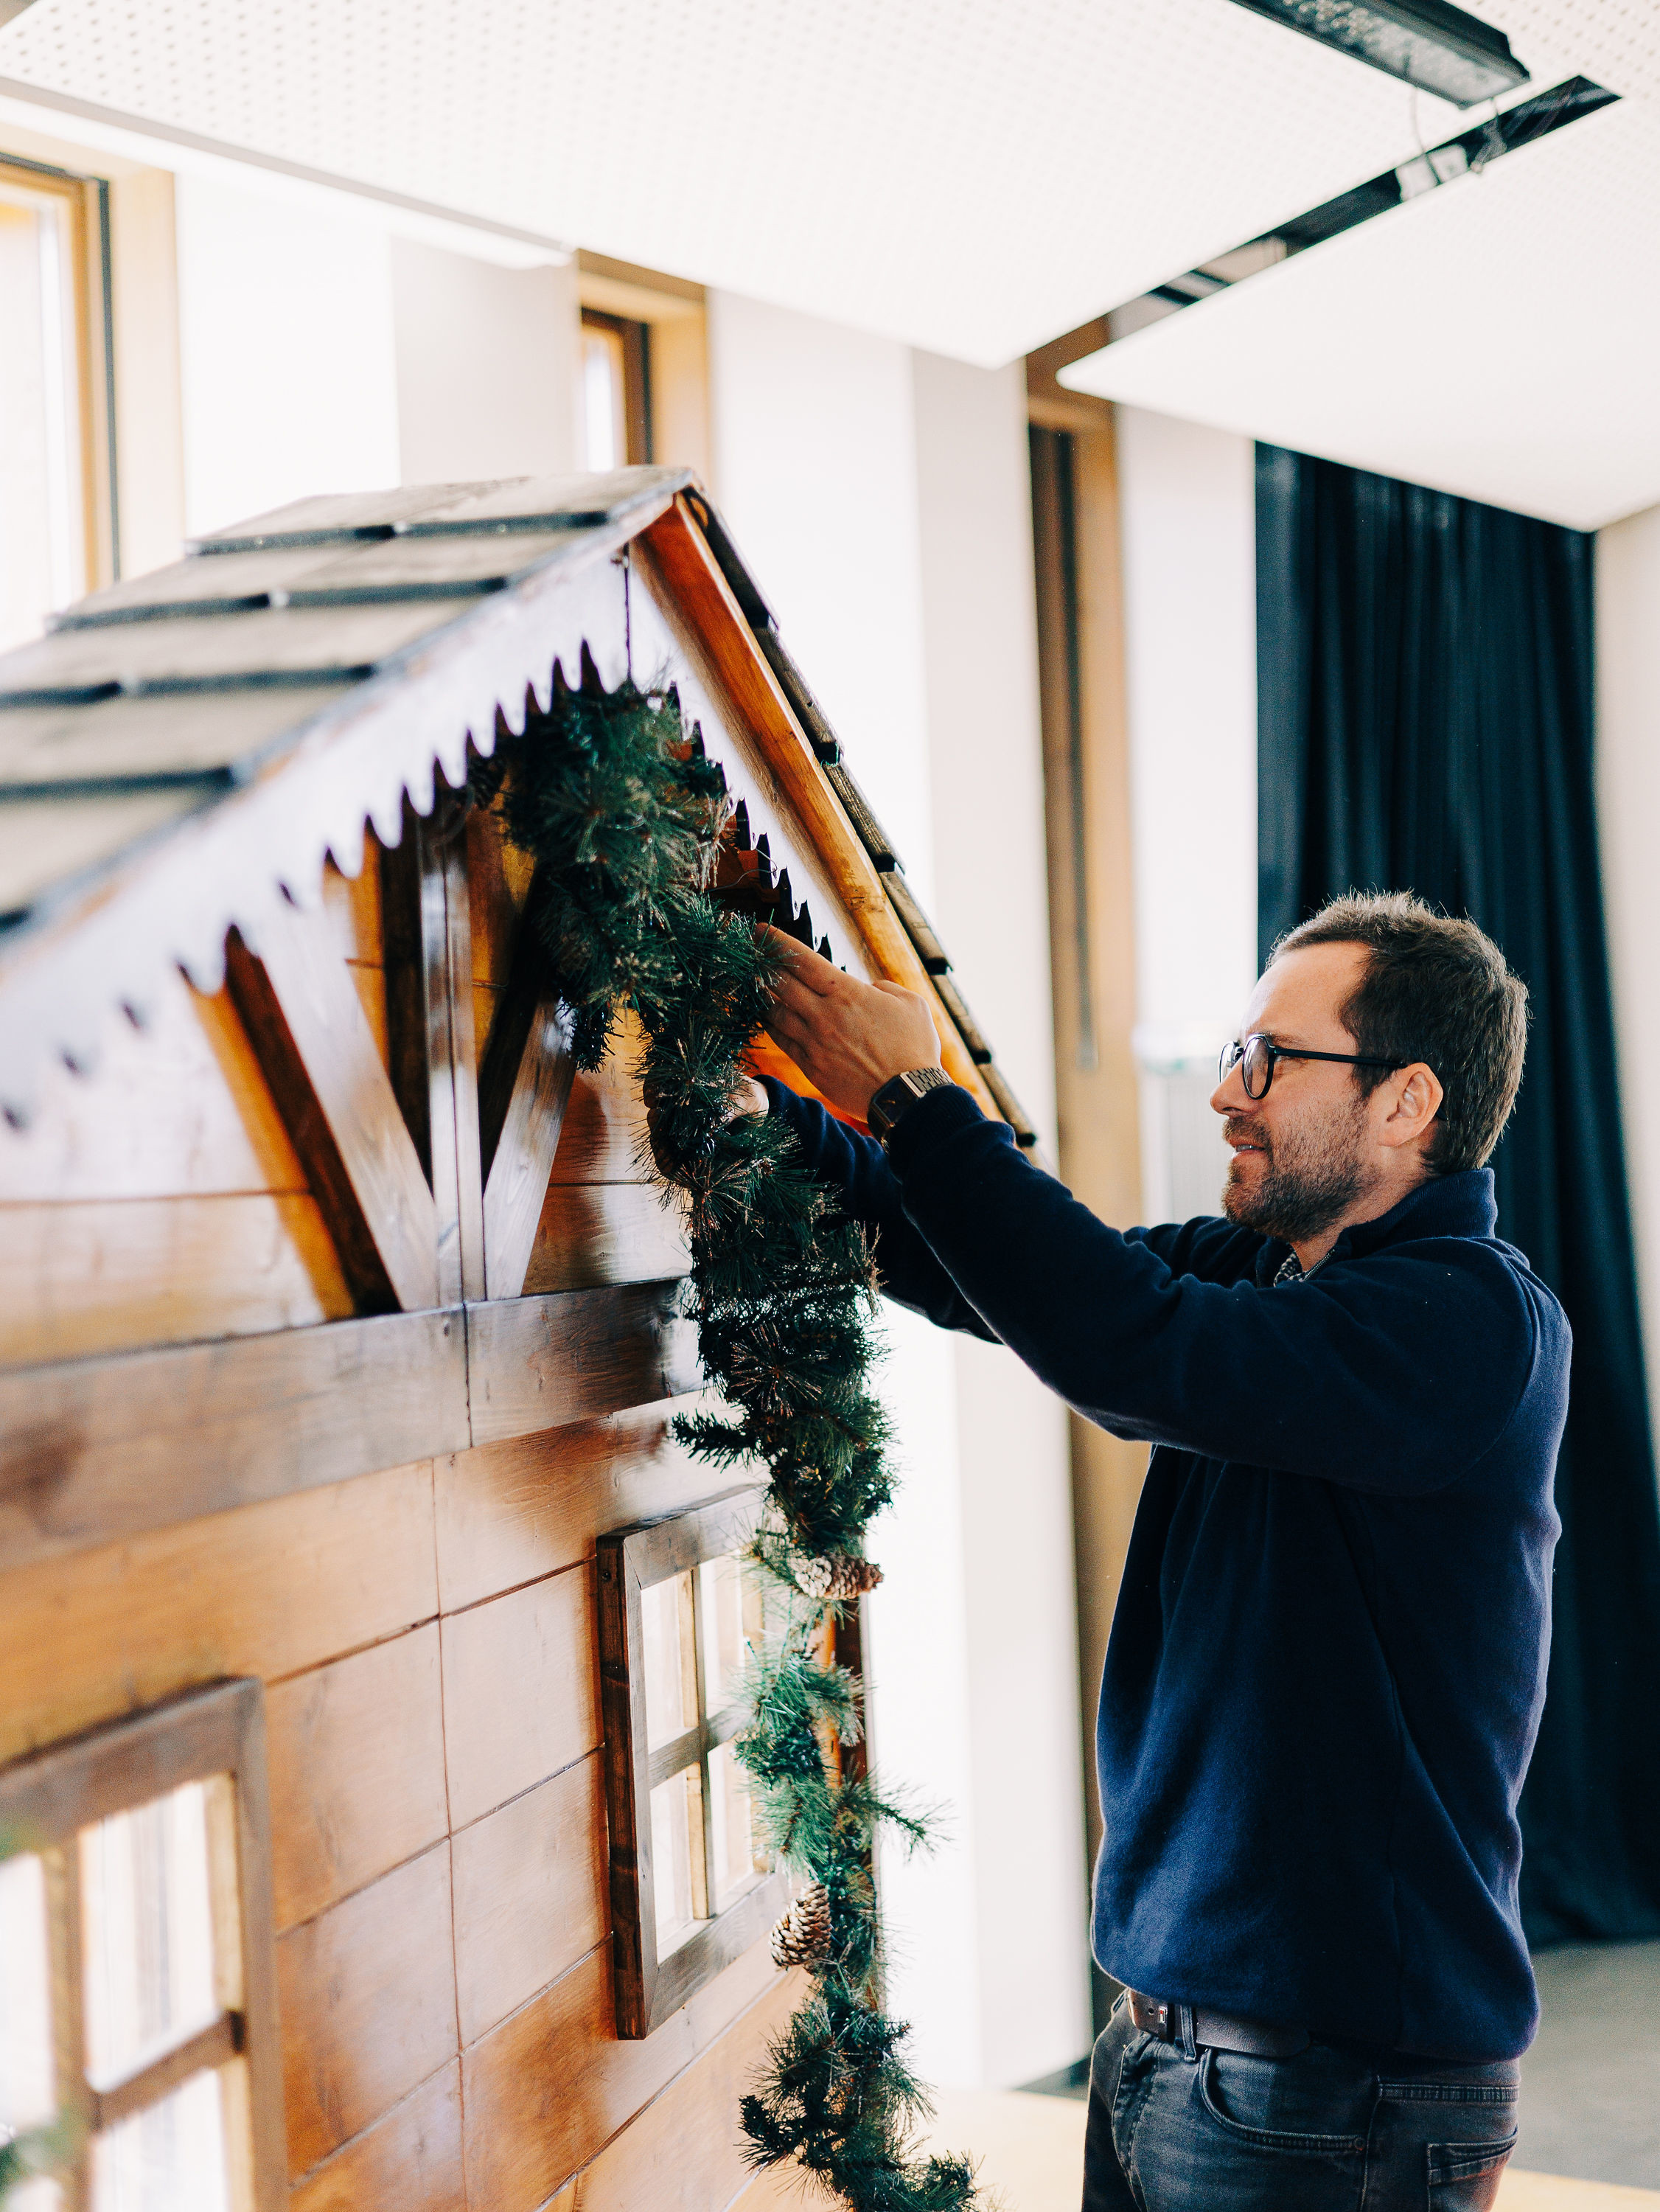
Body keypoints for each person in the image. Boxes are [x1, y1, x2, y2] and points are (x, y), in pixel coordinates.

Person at [742, 889, 1567, 2212]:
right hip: (1167, 2053)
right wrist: (760, 1106)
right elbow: (994, 1276)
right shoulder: (1268, 1277)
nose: (1226, 1095)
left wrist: (914, 1100)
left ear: (1408, 1101)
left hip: (1337, 2097)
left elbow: (1131, 1346)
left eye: (1269, 1061)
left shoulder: (1472, 1323)